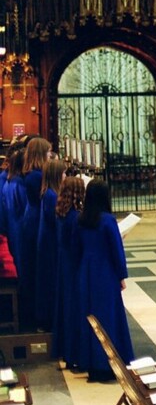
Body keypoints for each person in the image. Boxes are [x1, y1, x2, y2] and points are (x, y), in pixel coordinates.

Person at [73, 179, 134, 382]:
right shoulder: (108, 220)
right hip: (105, 273)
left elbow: (76, 248)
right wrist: (121, 275)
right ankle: (108, 364)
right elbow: (116, 251)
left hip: (86, 271)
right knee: (108, 318)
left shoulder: (81, 219)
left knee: (90, 318)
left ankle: (91, 363)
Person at [20, 137, 51, 329]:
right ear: (41, 154)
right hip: (35, 223)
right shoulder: (36, 176)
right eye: (48, 152)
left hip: (31, 220)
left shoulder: (32, 174)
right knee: (38, 270)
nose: (50, 155)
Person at [53, 176, 85, 366]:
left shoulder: (60, 212)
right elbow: (76, 245)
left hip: (63, 262)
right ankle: (75, 354)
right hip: (73, 265)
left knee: (65, 308)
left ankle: (66, 352)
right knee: (74, 309)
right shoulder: (75, 216)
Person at [36, 159, 67, 330]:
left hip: (47, 243)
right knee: (51, 284)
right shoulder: (51, 196)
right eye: (63, 173)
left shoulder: (49, 193)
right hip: (50, 246)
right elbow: (56, 221)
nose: (65, 176)